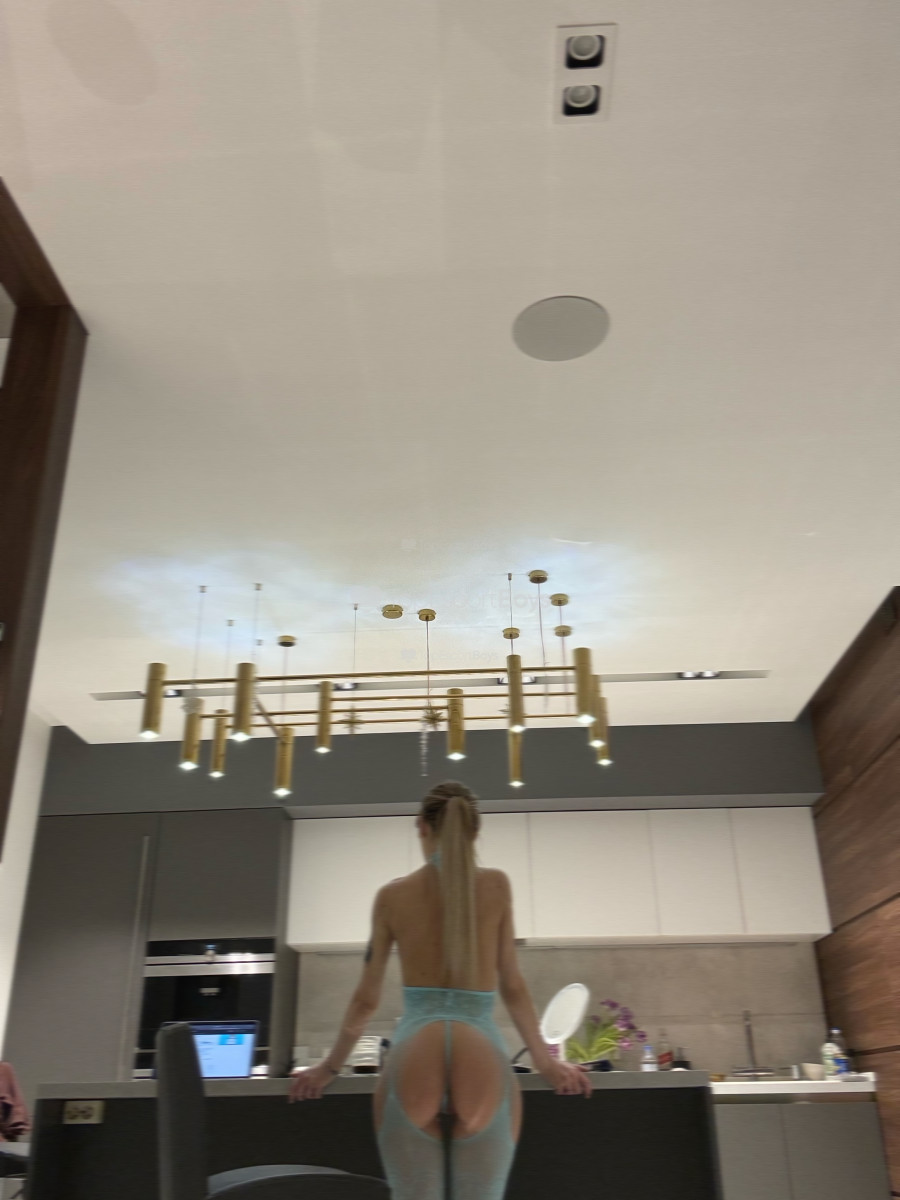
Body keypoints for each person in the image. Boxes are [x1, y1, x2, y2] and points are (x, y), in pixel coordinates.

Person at [289, 780, 591, 1199]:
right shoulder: (497, 887)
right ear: (475, 831)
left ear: (421, 826)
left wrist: (328, 1068)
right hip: (480, 1050)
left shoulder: (392, 897)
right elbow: (513, 986)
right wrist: (547, 1063)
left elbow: (365, 1001)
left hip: (416, 1049)